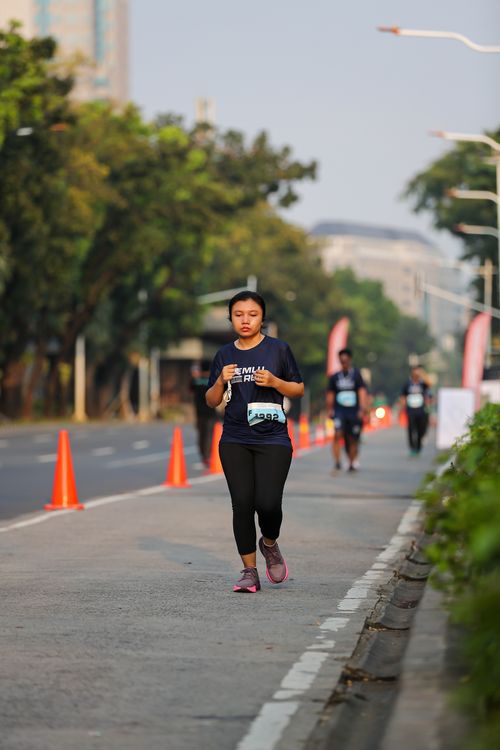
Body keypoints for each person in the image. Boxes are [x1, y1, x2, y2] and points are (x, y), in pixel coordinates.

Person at [205, 290, 304, 593]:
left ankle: (270, 543)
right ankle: (249, 571)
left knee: (269, 504)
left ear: (262, 318)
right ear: (231, 318)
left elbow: (298, 389)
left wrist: (275, 382)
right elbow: (211, 400)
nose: (245, 320)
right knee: (243, 504)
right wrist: (220, 380)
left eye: (252, 314)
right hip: (235, 438)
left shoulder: (278, 350)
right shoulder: (224, 355)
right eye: (238, 315)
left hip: (273, 438)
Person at [326, 348, 368, 472]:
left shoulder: (356, 375)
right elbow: (330, 394)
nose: (344, 363)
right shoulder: (334, 377)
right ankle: (337, 462)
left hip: (354, 411)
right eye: (341, 361)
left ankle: (352, 462)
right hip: (339, 411)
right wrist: (330, 409)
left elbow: (362, 391)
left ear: (349, 360)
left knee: (352, 438)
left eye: (346, 360)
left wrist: (362, 408)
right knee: (337, 434)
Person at [190, 360, 218, 467]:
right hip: (211, 412)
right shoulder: (213, 381)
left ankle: (204, 456)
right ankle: (208, 456)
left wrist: (195, 376)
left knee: (201, 435)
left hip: (199, 413)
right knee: (209, 435)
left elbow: (190, 389)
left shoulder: (196, 381)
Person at [400, 366, 432, 456]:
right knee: (411, 429)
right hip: (410, 410)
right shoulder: (408, 384)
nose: (416, 374)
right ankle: (412, 448)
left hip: (421, 410)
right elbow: (403, 396)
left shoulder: (422, 384)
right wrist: (402, 407)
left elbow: (430, 384)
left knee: (420, 429)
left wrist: (422, 374)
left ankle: (418, 447)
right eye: (415, 372)